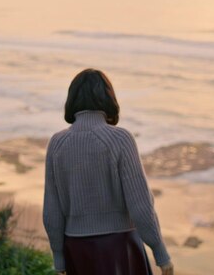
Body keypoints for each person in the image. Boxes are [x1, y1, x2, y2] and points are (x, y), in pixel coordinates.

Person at [43, 68, 174, 275]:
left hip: (76, 248)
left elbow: (51, 209)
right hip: (119, 248)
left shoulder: (57, 143)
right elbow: (140, 204)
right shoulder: (120, 139)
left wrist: (59, 258)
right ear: (108, 98)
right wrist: (160, 253)